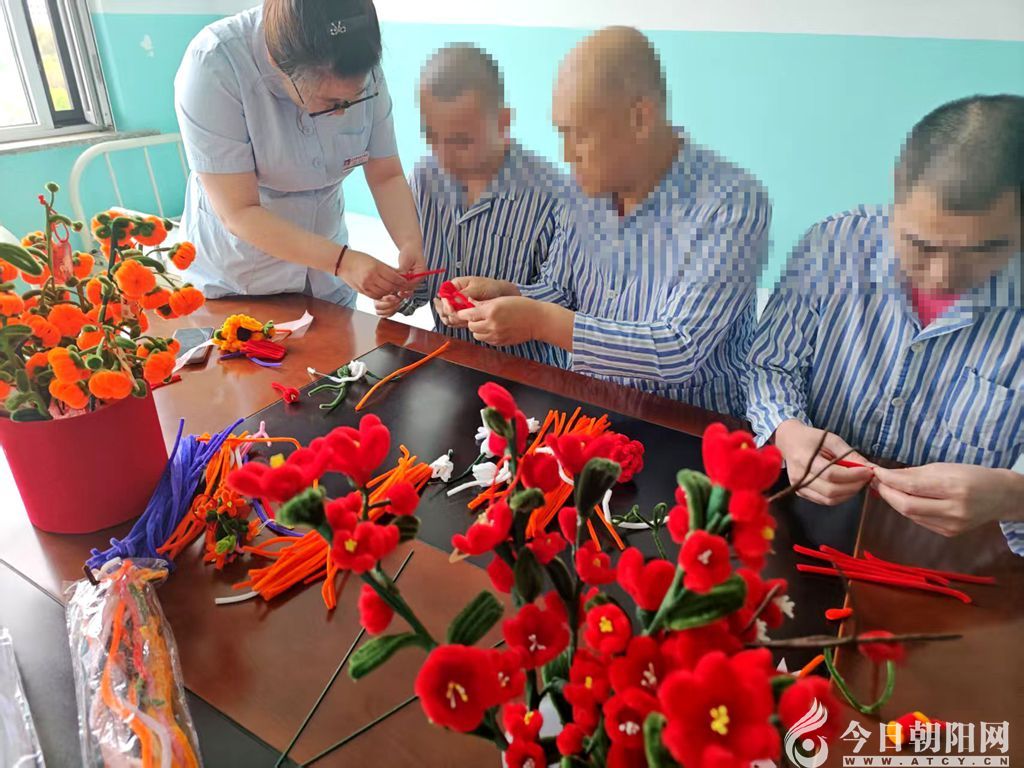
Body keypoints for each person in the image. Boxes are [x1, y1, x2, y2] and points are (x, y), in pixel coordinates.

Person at [438, 27, 770, 417]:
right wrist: (507, 295)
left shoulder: (732, 204)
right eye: (561, 133)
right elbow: (559, 290)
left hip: (687, 424)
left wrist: (541, 321)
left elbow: (678, 348)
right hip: (587, 406)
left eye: (579, 135)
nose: (566, 154)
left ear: (640, 118)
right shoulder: (585, 189)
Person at [747, 95, 1024, 552]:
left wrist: (1013, 496)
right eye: (920, 244)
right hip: (803, 521)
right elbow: (770, 365)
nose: (942, 276)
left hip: (961, 560)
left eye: (983, 250)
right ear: (897, 189)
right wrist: (786, 430)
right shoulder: (833, 245)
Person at [174, 0, 425, 305]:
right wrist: (342, 262)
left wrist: (410, 242)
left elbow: (386, 175)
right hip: (240, 281)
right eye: (330, 103)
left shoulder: (358, 60)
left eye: (355, 99)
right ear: (277, 64)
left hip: (327, 282)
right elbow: (239, 211)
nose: (342, 114)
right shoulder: (214, 63)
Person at [375, 43, 568, 366]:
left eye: (462, 141)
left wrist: (507, 294)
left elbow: (564, 298)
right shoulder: (424, 177)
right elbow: (424, 284)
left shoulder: (553, 194)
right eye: (432, 137)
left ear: (503, 123)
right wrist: (402, 293)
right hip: (449, 359)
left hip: (527, 371)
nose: (444, 156)